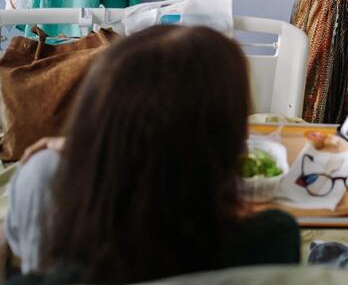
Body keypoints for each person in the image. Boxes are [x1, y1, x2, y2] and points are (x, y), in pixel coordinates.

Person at [4, 25, 300, 283]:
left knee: (41, 171)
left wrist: (94, 147)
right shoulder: (274, 241)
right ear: (228, 145)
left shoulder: (66, 272)